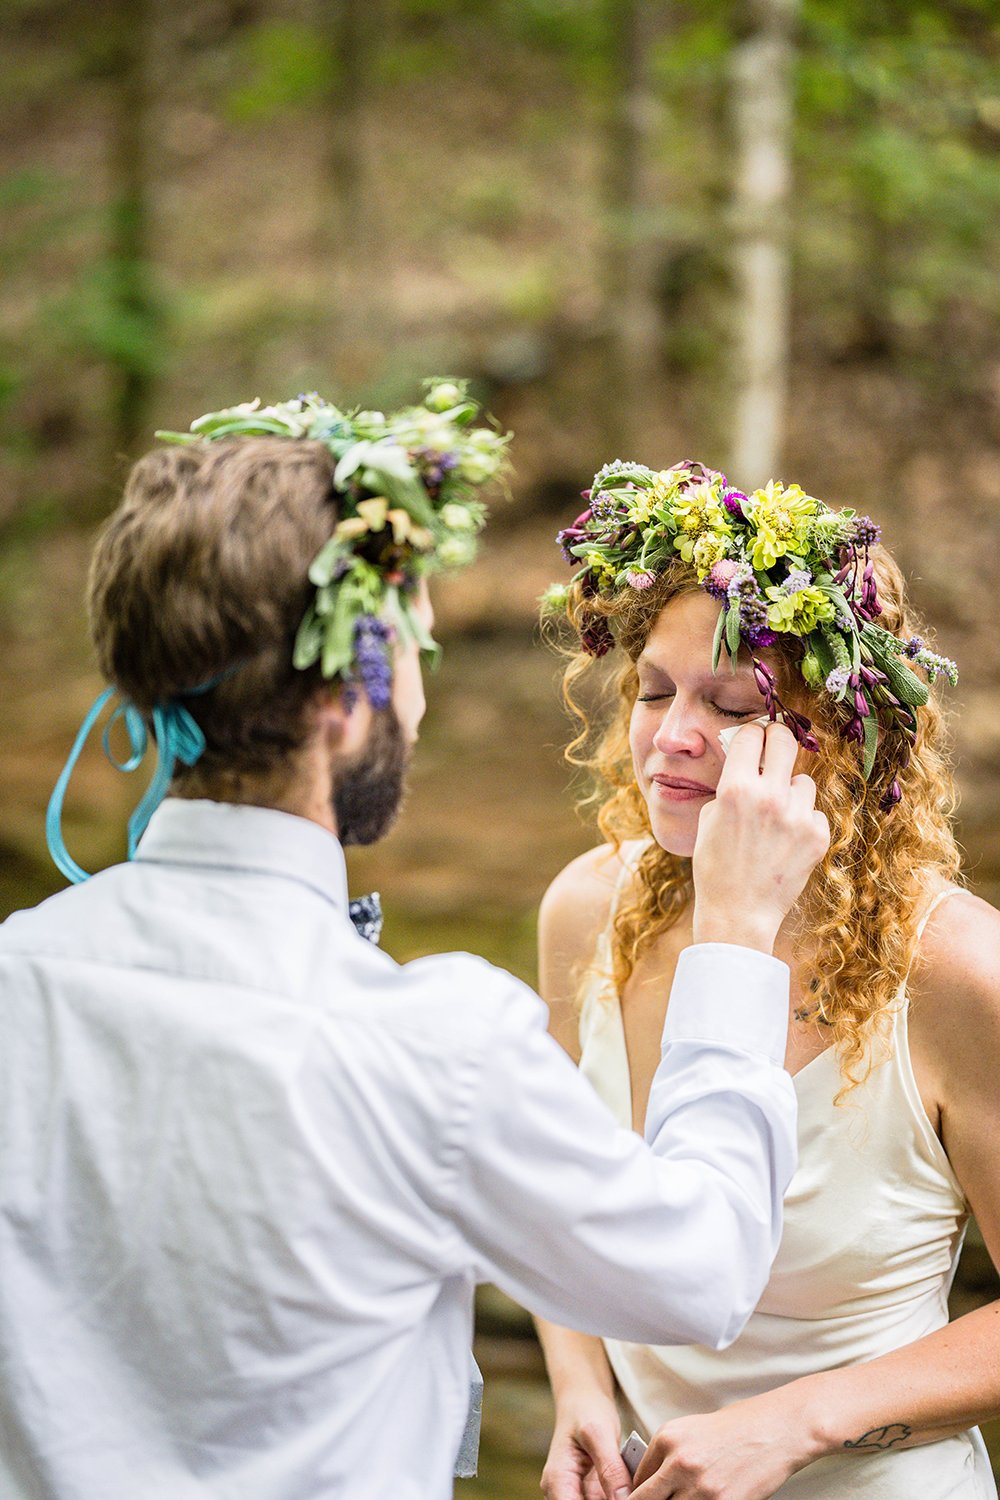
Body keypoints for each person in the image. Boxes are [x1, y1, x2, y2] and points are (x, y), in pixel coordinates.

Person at [0, 397, 828, 1500]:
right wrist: (732, 938)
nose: (424, 697)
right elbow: (703, 1272)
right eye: (415, 652)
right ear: (345, 705)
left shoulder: (18, 976)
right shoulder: (436, 1045)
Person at [537, 457, 1000, 1500]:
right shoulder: (585, 909)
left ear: (851, 736)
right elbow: (558, 1196)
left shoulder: (955, 971)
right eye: (654, 692)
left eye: (734, 704)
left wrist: (796, 1422)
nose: (674, 737)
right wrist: (581, 1391)